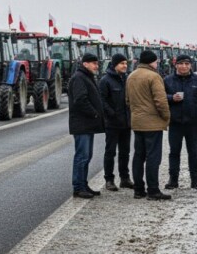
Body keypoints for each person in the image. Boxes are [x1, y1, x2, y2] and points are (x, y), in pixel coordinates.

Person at [126, 50, 171, 200]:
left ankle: (138, 189)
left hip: (137, 122)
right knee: (153, 157)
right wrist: (166, 117)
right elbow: (161, 100)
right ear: (151, 62)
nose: (157, 64)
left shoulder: (131, 76)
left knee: (138, 156)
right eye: (156, 62)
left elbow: (127, 100)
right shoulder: (153, 76)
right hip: (152, 123)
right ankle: (153, 190)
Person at [164, 54, 197, 190]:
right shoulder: (167, 80)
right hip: (175, 122)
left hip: (192, 123)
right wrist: (171, 98)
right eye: (181, 64)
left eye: (187, 64)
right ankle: (173, 179)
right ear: (176, 65)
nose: (184, 66)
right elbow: (160, 97)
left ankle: (195, 179)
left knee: (193, 152)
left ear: (191, 65)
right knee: (174, 152)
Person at [68, 53, 106, 198]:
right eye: (94, 63)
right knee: (82, 156)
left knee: (86, 156)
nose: (96, 66)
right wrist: (94, 113)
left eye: (97, 63)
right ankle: (78, 187)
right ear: (85, 64)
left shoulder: (86, 77)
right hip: (82, 124)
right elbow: (80, 100)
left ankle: (83, 184)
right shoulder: (79, 78)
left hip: (87, 124)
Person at [99, 53, 133, 191]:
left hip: (126, 123)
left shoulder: (127, 79)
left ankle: (125, 178)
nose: (125, 66)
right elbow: (102, 101)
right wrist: (112, 114)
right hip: (112, 123)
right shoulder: (105, 80)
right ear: (114, 65)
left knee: (125, 152)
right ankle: (109, 179)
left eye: (126, 63)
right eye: (122, 63)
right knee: (110, 152)